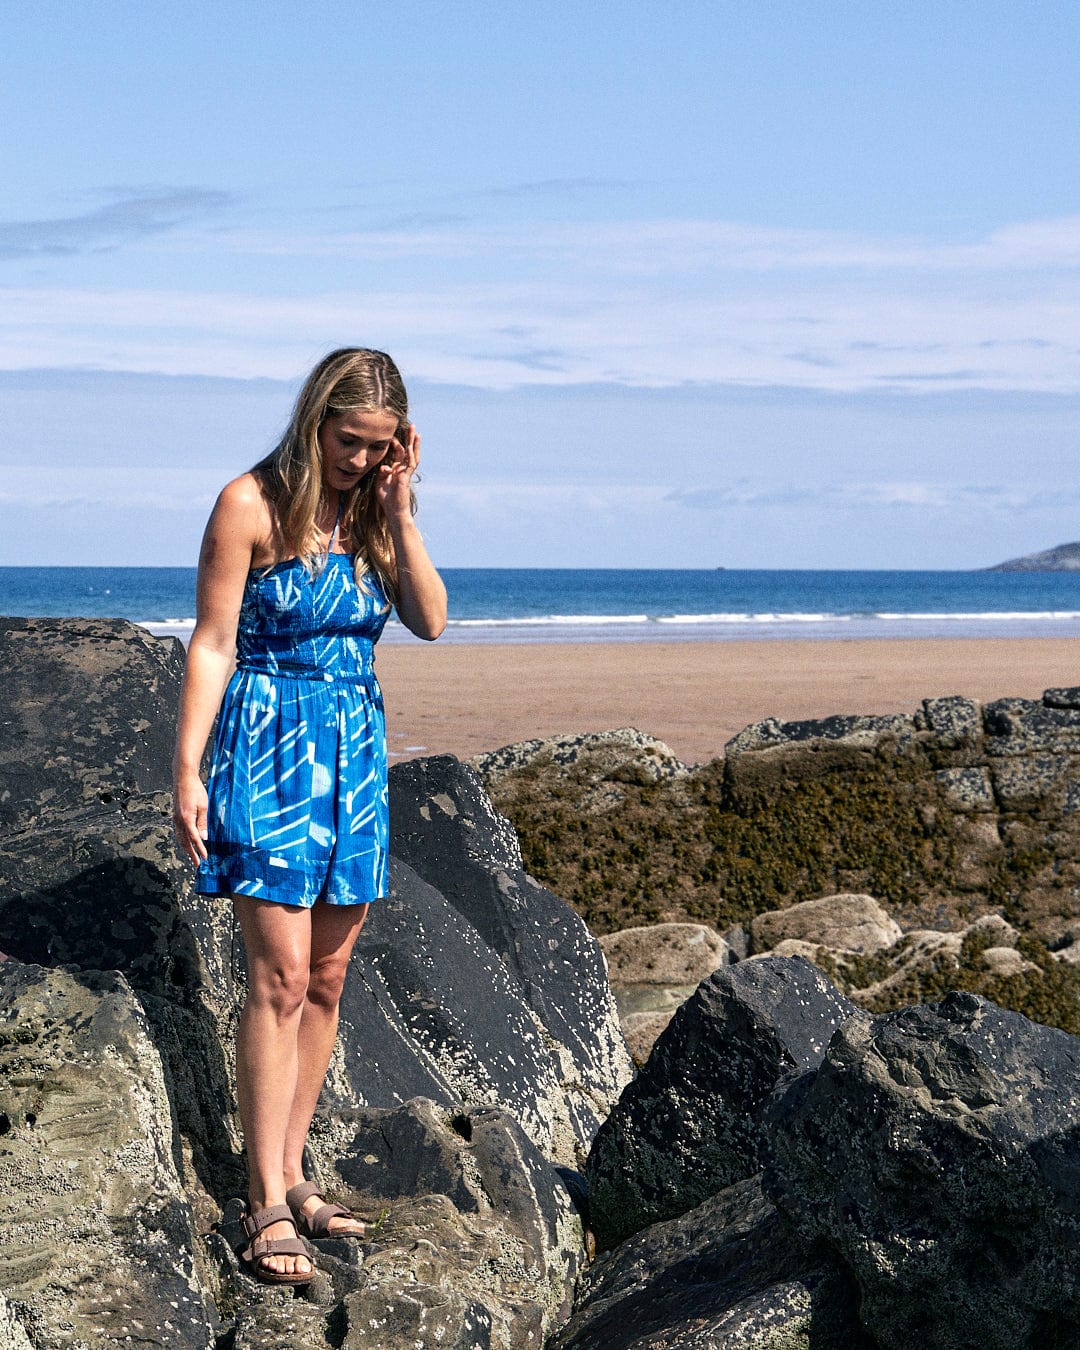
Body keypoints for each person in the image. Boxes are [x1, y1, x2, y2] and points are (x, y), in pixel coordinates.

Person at [172, 348, 446, 1284]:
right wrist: (188, 768)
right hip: (267, 743)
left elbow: (433, 620)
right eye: (347, 441)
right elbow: (210, 643)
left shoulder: (376, 512)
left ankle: (292, 1177)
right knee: (279, 975)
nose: (359, 460)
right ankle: (259, 1202)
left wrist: (401, 513)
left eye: (379, 447)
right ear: (314, 420)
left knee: (328, 978)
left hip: (354, 756)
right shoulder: (248, 503)